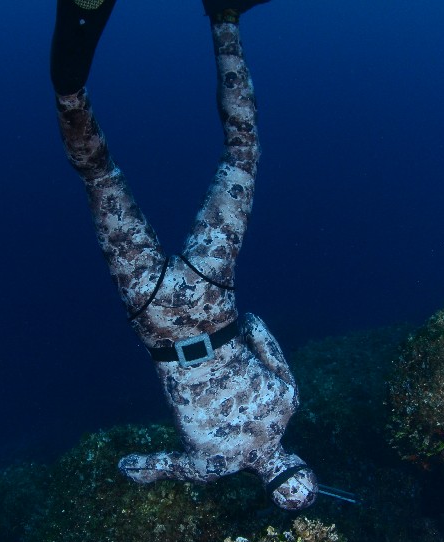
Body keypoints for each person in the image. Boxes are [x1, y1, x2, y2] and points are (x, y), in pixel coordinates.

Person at [50, 0, 318, 510]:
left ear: (299, 461)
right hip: (155, 318)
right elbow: (136, 467)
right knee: (100, 178)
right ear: (267, 487)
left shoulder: (287, 401)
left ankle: (225, 17)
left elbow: (256, 326)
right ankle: (69, 89)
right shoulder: (212, 465)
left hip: (210, 292)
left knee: (242, 152)